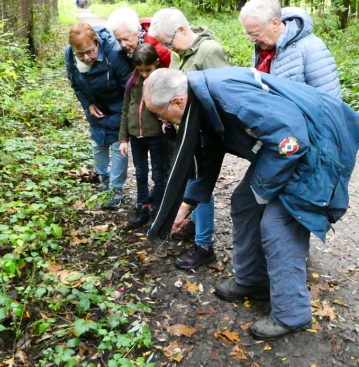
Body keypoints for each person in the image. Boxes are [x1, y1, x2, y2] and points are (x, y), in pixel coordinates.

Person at [143, 67, 359, 341]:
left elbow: (290, 139)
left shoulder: (228, 95)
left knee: (278, 223)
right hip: (284, 147)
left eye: (162, 116)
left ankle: (292, 314)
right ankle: (253, 280)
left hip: (317, 143)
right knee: (244, 201)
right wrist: (186, 206)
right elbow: (208, 156)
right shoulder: (200, 103)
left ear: (177, 102)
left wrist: (263, 190)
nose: (164, 123)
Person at [148, 7, 229, 270]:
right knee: (188, 183)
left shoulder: (210, 52)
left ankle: (204, 245)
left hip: (206, 138)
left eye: (167, 42)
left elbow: (222, 97)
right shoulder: (178, 54)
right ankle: (194, 225)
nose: (166, 48)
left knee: (200, 185)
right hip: (189, 134)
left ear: (183, 30)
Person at [65, 22, 132, 209]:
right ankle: (104, 176)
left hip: (118, 105)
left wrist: (126, 113)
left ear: (96, 43)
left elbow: (129, 86)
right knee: (98, 144)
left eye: (90, 51)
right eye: (80, 54)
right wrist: (88, 104)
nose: (86, 58)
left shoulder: (113, 53)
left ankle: (115, 188)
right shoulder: (70, 55)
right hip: (95, 107)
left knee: (119, 148)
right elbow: (74, 83)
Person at [239, 0, 341, 98]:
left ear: (274, 23)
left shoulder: (312, 48)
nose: (251, 40)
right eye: (248, 33)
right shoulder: (263, 47)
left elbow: (331, 103)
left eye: (255, 34)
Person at [119, 44, 167, 228]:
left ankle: (158, 210)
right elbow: (125, 110)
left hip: (156, 136)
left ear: (156, 63)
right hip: (135, 137)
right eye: (141, 70)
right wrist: (123, 139)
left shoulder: (162, 82)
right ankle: (143, 207)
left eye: (148, 69)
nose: (145, 74)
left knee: (158, 174)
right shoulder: (132, 83)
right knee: (140, 173)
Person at [107, 7, 171, 68]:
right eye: (118, 40)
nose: (123, 45)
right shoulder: (122, 50)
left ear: (137, 31)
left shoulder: (159, 51)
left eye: (126, 39)